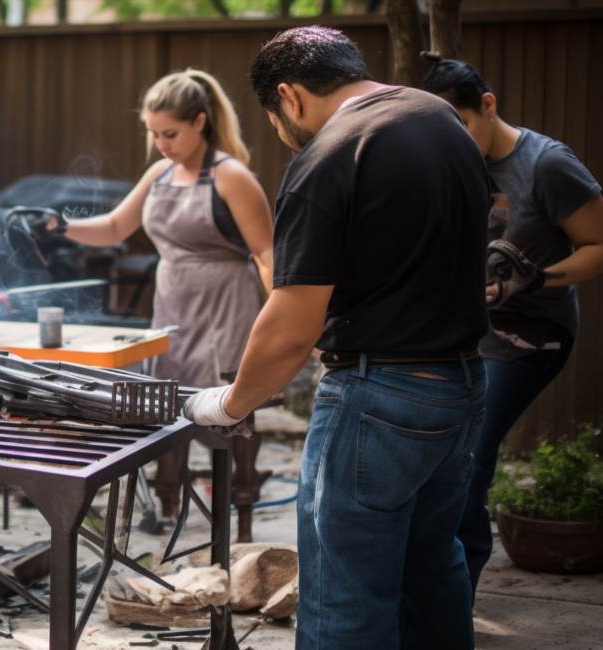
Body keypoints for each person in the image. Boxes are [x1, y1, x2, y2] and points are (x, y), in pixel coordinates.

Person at [183, 27, 489, 648]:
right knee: (431, 573)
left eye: (274, 118)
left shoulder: (327, 156)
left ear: (290, 98)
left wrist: (231, 403)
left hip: (379, 397)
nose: (282, 132)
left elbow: (292, 327)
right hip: (460, 385)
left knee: (343, 598)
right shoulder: (438, 118)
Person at [47, 69, 274, 533]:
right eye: (153, 133)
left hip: (226, 306)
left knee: (229, 406)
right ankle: (169, 509)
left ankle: (242, 522)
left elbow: (267, 254)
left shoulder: (231, 177)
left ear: (200, 122)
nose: (161, 143)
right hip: (173, 303)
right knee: (166, 404)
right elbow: (113, 228)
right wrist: (56, 226)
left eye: (169, 133)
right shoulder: (159, 174)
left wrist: (287, 320)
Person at [421, 58, 603, 593]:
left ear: (489, 104)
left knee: (472, 449)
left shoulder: (547, 165)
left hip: (533, 334)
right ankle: (445, 579)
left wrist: (536, 279)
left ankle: (462, 589)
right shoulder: (453, 161)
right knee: (447, 449)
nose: (455, 140)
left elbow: (599, 245)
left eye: (463, 124)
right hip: (468, 328)